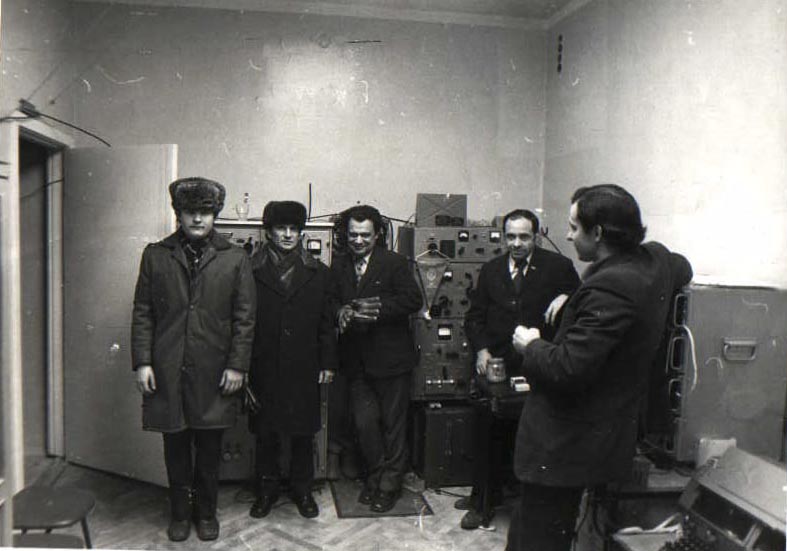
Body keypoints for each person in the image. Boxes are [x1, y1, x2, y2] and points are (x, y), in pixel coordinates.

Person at [505, 184, 693, 551]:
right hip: (604, 433)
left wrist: (531, 345)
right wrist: (573, 297)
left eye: (574, 227)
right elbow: (683, 268)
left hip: (565, 443)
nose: (568, 235)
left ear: (598, 233)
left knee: (535, 538)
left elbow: (568, 368)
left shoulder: (610, 287)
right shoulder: (656, 259)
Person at [131, 177, 256, 542]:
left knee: (210, 448)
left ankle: (206, 514)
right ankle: (180, 514)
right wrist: (143, 362)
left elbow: (245, 318)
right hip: (167, 368)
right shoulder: (156, 255)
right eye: (190, 212)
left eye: (205, 212)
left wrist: (237, 365)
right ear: (178, 214)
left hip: (215, 371)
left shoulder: (235, 258)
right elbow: (143, 311)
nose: (197, 219)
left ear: (215, 215)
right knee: (175, 445)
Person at [461, 208, 580, 529]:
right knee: (487, 434)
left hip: (539, 367)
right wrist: (482, 350)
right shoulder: (491, 270)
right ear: (503, 237)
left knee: (535, 437)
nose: (516, 243)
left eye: (524, 237)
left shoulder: (558, 267)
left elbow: (584, 300)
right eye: (510, 236)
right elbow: (475, 317)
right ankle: (482, 502)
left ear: (536, 236)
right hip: (498, 366)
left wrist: (567, 296)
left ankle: (525, 503)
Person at [248, 200, 338, 519]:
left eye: (293, 229)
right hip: (263, 364)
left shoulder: (319, 272)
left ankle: (303, 490)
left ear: (301, 233)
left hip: (304, 364)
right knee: (266, 432)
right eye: (280, 228)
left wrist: (327, 363)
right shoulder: (250, 270)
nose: (287, 235)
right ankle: (266, 490)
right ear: (268, 232)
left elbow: (327, 323)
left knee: (303, 432)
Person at [332, 205, 423, 513]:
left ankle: (389, 485)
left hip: (392, 360)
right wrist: (340, 311)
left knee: (394, 426)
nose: (358, 241)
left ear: (377, 235)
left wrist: (377, 308)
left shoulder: (394, 263)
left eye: (365, 235)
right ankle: (376, 475)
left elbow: (413, 300)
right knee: (365, 424)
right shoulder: (339, 265)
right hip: (356, 362)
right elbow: (331, 300)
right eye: (353, 235)